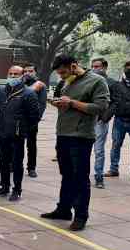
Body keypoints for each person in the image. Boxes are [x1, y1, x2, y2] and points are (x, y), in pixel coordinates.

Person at [41, 55, 109, 231]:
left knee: (80, 177)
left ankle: (81, 216)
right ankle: (63, 209)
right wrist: (58, 103)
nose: (61, 77)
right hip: (63, 133)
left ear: (73, 66)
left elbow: (100, 108)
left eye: (63, 72)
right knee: (67, 175)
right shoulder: (66, 82)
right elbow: (67, 104)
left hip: (81, 136)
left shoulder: (96, 81)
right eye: (59, 74)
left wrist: (71, 102)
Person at [0, 65, 41, 201]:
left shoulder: (28, 93)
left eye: (16, 74)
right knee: (3, 161)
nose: (13, 77)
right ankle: (4, 186)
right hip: (2, 133)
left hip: (17, 135)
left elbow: (34, 117)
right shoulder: (2, 91)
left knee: (17, 163)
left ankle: (17, 189)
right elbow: (1, 110)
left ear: (22, 76)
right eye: (11, 74)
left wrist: (22, 130)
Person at [89, 58, 119, 189]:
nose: (95, 69)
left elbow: (115, 102)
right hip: (86, 120)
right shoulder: (87, 81)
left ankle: (98, 177)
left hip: (100, 121)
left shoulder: (112, 83)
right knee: (83, 149)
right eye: (93, 66)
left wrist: (105, 117)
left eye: (98, 66)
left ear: (104, 67)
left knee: (99, 150)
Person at [22, 63, 47, 178]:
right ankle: (14, 164)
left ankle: (31, 168)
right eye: (26, 71)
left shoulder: (40, 86)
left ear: (35, 72)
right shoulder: (20, 83)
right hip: (19, 119)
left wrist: (36, 119)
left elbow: (42, 105)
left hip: (32, 121)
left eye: (30, 71)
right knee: (16, 144)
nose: (28, 73)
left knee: (31, 145)